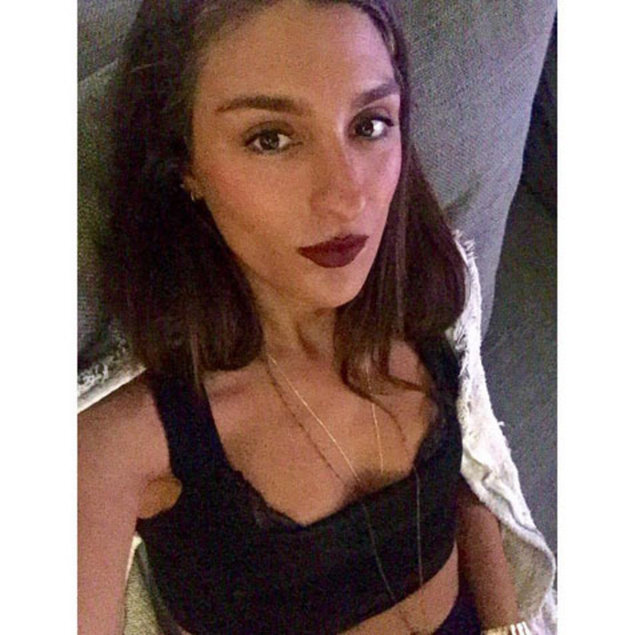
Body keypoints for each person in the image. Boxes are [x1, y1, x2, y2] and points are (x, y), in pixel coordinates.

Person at [78, 1, 555, 633]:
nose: (346, 198)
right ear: (184, 162)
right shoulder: (123, 442)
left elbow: (469, 486)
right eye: (270, 138)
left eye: (369, 125)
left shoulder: (428, 301)